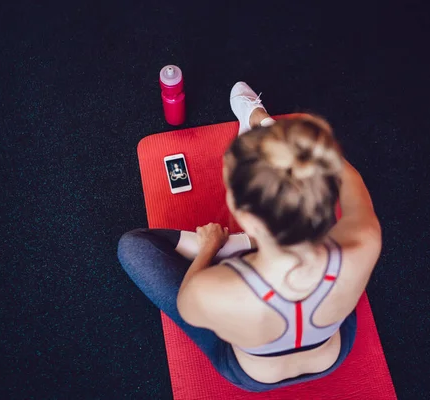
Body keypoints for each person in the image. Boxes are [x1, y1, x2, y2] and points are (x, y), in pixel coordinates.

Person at [117, 82, 381, 392]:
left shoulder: (216, 288)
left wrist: (210, 247)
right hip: (332, 354)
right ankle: (262, 127)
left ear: (240, 213)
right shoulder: (365, 242)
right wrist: (294, 147)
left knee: (132, 247)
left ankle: (246, 243)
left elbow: (186, 302)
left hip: (251, 377)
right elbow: (344, 171)